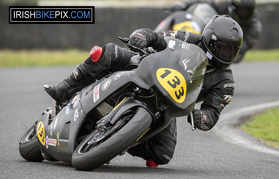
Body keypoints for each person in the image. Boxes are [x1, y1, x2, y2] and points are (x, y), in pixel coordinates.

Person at [44, 15, 243, 168]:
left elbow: (212, 113)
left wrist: (202, 118)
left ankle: (115, 142)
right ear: (209, 39)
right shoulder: (188, 37)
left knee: (163, 153)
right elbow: (157, 36)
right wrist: (141, 36)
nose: (226, 54)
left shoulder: (226, 82)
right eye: (223, 48)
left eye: (231, 51)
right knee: (107, 53)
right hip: (145, 68)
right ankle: (64, 88)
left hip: (167, 104)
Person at [167, 0, 262, 63]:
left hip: (224, 51)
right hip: (212, 37)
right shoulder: (224, 5)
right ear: (233, 7)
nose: (244, 13)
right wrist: (183, 5)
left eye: (247, 10)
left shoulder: (254, 28)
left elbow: (239, 55)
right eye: (241, 10)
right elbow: (204, 2)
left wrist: (220, 53)